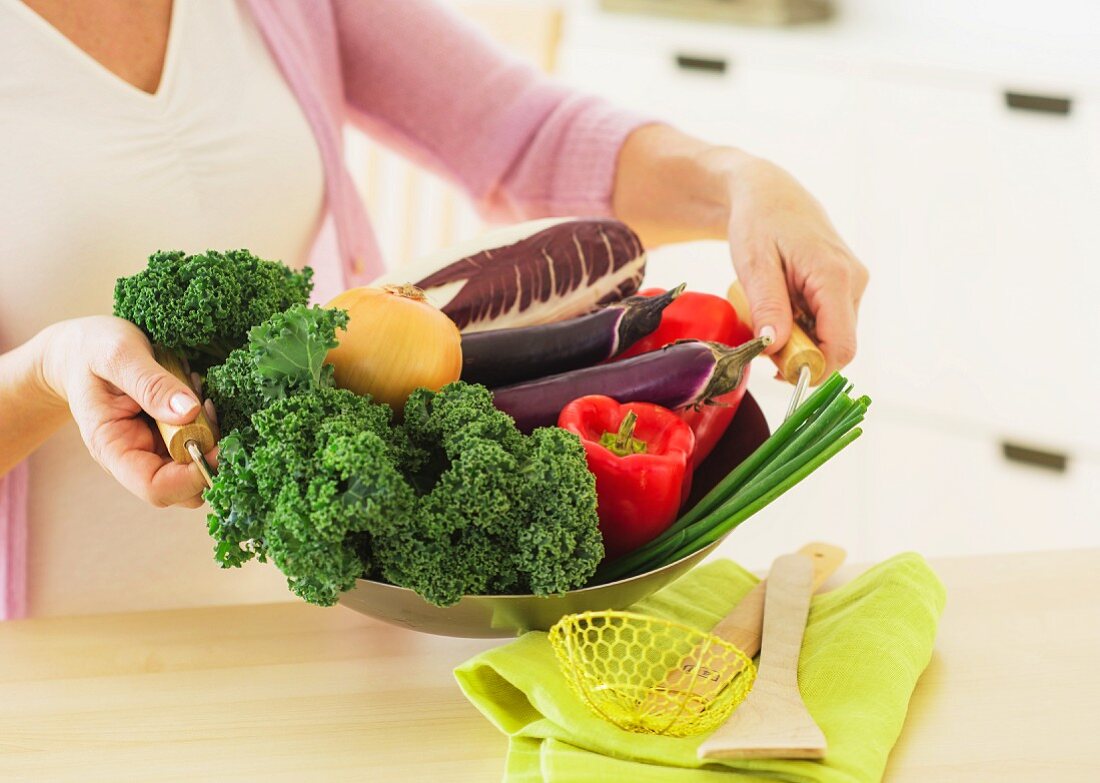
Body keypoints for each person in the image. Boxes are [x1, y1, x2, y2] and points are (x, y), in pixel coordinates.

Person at [0, 0, 867, 618]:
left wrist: (746, 184)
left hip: (337, 622)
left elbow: (524, 133)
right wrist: (46, 377)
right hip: (59, 668)